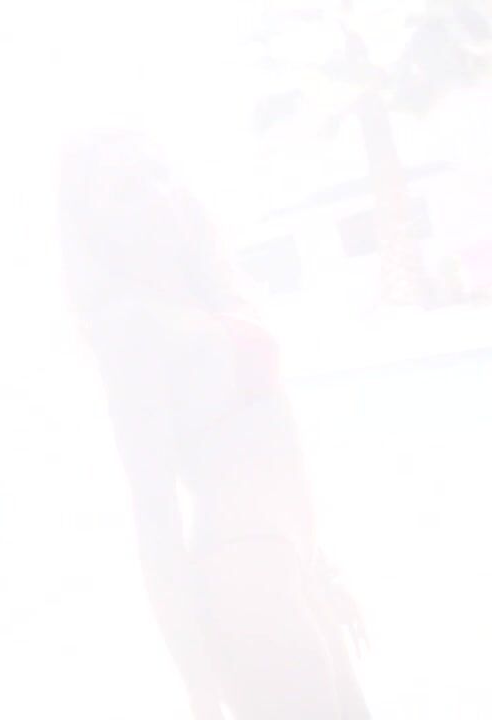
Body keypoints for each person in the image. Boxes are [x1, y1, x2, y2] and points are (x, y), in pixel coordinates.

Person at [59, 130, 371, 720]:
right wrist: (197, 680)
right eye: (127, 190)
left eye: (158, 173)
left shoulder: (209, 298)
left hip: (295, 565)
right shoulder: (130, 327)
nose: (157, 194)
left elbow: (270, 454)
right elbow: (154, 510)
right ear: (94, 229)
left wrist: (322, 567)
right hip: (247, 576)